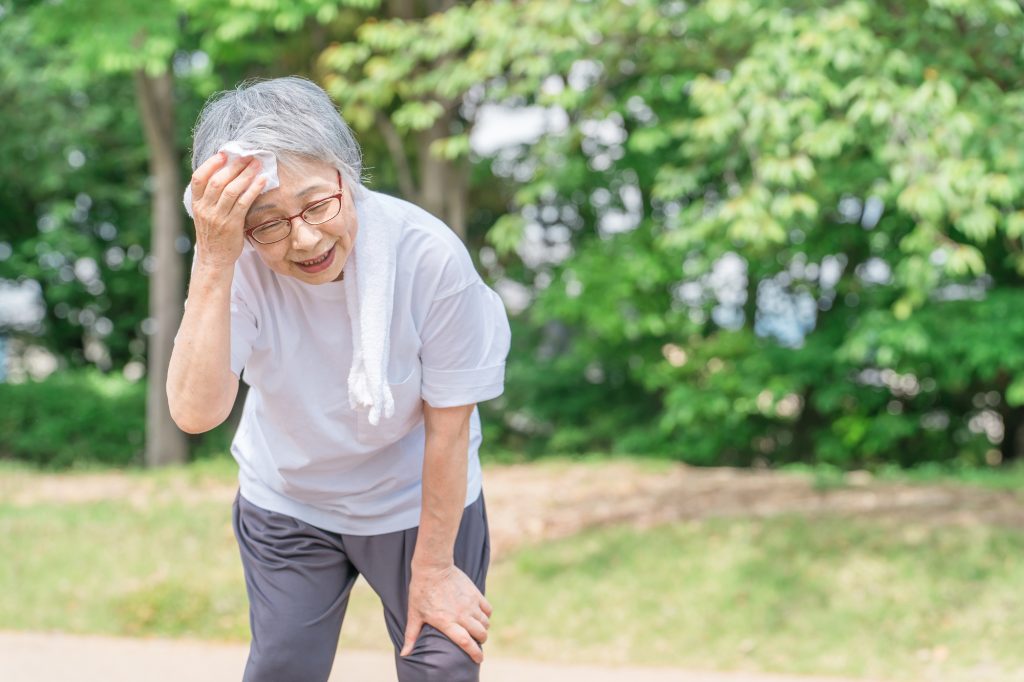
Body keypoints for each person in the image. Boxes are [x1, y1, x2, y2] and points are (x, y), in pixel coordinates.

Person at [167, 76, 511, 682]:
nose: (304, 238)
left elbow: (451, 428)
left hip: (414, 499)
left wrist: (433, 571)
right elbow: (196, 413)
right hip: (291, 498)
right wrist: (215, 258)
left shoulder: (428, 256)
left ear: (344, 174)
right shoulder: (236, 263)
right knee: (283, 669)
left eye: (318, 204)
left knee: (442, 667)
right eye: (267, 223)